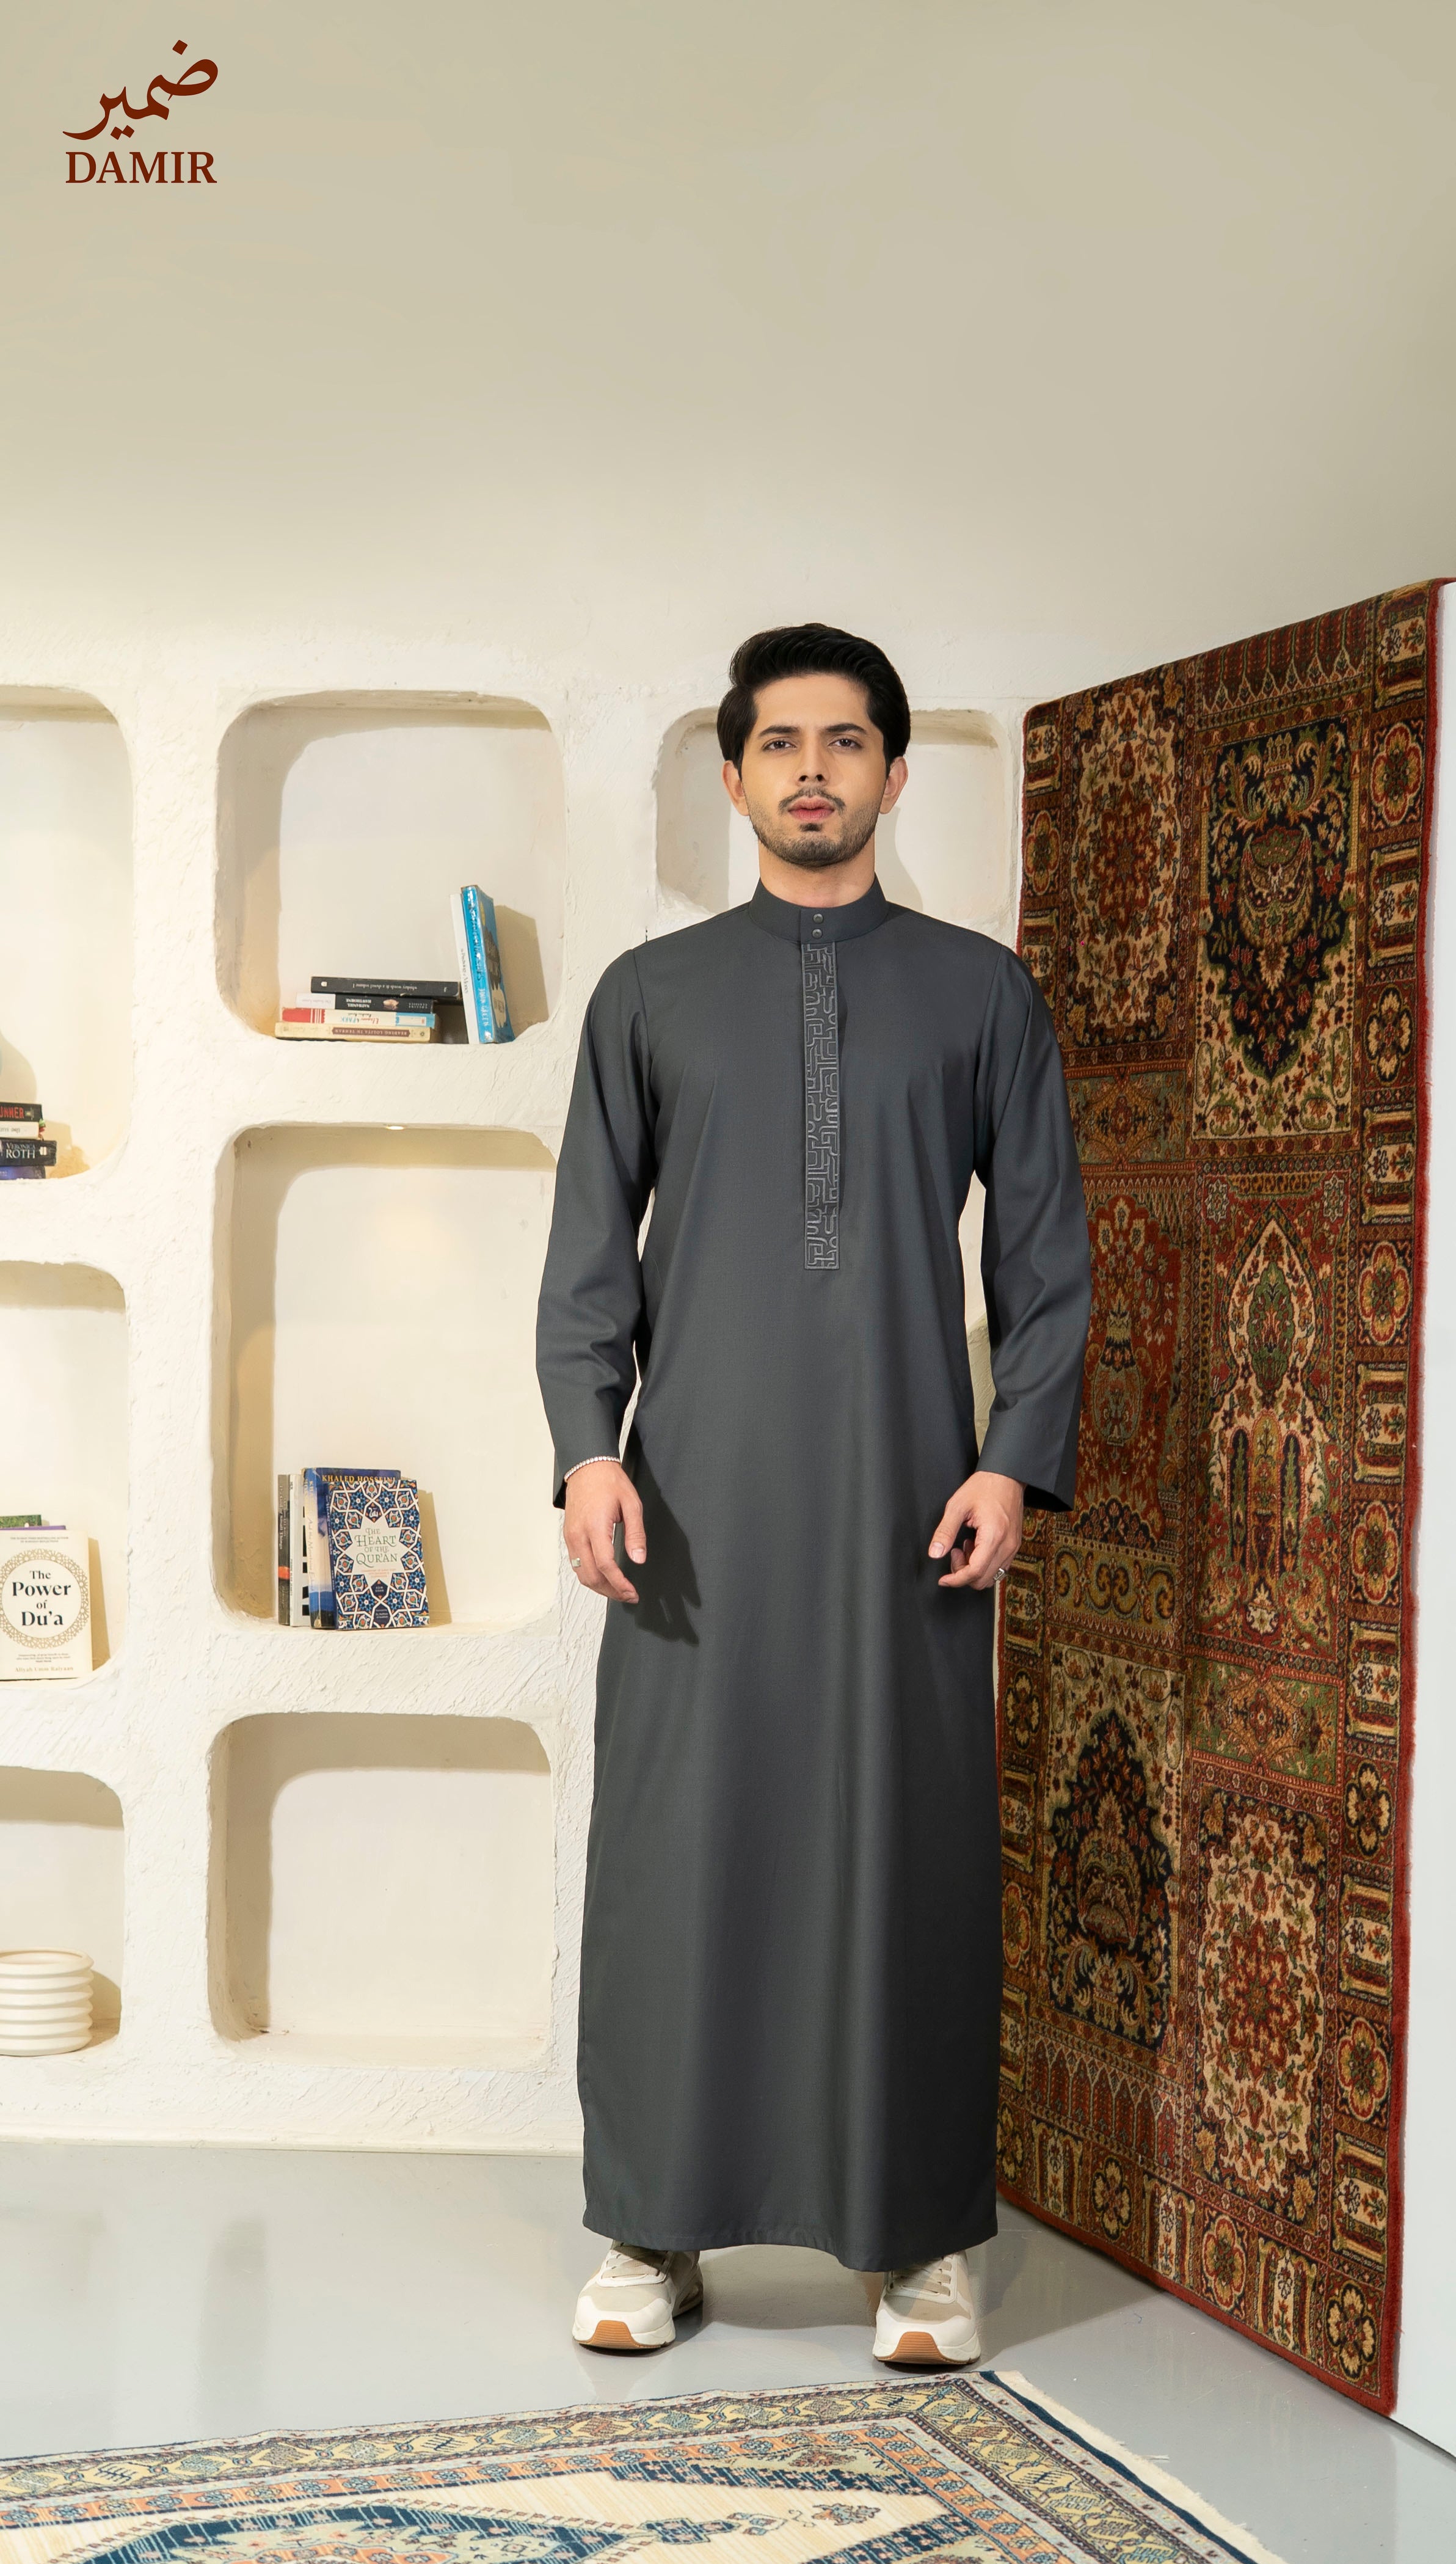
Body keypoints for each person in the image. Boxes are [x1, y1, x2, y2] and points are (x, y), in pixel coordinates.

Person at [536, 623, 1090, 2364]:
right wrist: (586, 1447)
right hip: (692, 1514)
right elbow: (583, 1268)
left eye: (847, 742)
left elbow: (1055, 1264)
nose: (812, 772)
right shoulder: (650, 993)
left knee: (904, 1856)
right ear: (732, 774)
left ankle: (917, 2245)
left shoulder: (982, 993)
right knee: (676, 1857)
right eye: (780, 743)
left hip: (911, 1509)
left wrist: (1016, 1461)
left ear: (897, 773)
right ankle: (649, 2232)